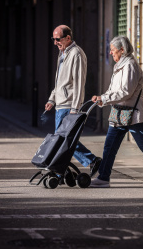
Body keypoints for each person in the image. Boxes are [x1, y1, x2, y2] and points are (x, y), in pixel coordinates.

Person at [90, 35, 143, 188]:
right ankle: (103, 177)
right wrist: (103, 98)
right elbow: (113, 90)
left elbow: (126, 92)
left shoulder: (130, 66)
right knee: (110, 145)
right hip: (120, 112)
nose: (110, 53)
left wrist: (105, 98)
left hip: (133, 114)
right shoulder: (120, 65)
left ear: (122, 50)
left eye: (113, 50)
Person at [45, 25, 101, 177]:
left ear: (68, 38)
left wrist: (75, 108)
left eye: (58, 39)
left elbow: (78, 83)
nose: (55, 42)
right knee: (63, 139)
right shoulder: (63, 53)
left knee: (63, 140)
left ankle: (87, 162)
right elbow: (60, 82)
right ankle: (65, 170)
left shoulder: (76, 53)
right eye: (53, 39)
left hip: (69, 105)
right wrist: (52, 99)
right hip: (61, 104)